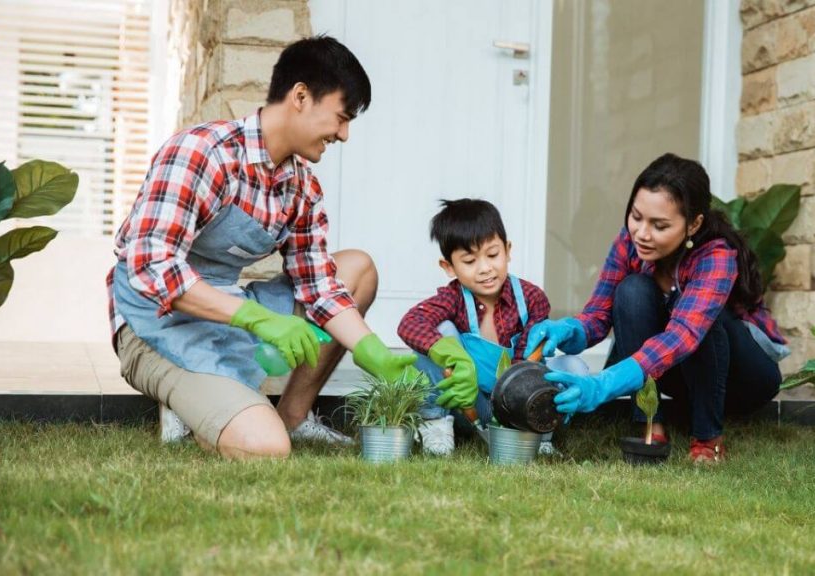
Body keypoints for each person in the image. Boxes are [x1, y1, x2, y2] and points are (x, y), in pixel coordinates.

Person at [107, 35, 416, 460]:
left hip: (227, 310)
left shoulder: (301, 187)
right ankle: (196, 401)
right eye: (341, 118)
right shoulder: (203, 153)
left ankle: (291, 417)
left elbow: (320, 287)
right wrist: (257, 318)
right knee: (264, 447)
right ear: (301, 96)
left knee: (356, 268)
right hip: (155, 323)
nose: (343, 135)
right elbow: (151, 267)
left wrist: (370, 350)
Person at [527, 153, 789, 464]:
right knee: (631, 291)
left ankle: (707, 439)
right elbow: (598, 316)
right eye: (636, 217)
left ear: (693, 224)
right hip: (679, 372)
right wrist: (567, 331)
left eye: (659, 225)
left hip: (742, 378)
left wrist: (603, 384)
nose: (642, 233)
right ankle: (651, 425)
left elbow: (683, 336)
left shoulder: (716, 255)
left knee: (704, 318)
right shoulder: (631, 242)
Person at [396, 199, 587, 456]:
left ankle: (539, 436)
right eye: (470, 261)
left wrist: (521, 407)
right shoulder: (453, 299)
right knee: (439, 329)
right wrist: (451, 355)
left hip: (522, 403)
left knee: (574, 368)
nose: (485, 268)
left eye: (493, 255)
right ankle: (436, 424)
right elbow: (410, 323)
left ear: (508, 250)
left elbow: (527, 362)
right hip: (471, 404)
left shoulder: (531, 298)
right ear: (449, 267)